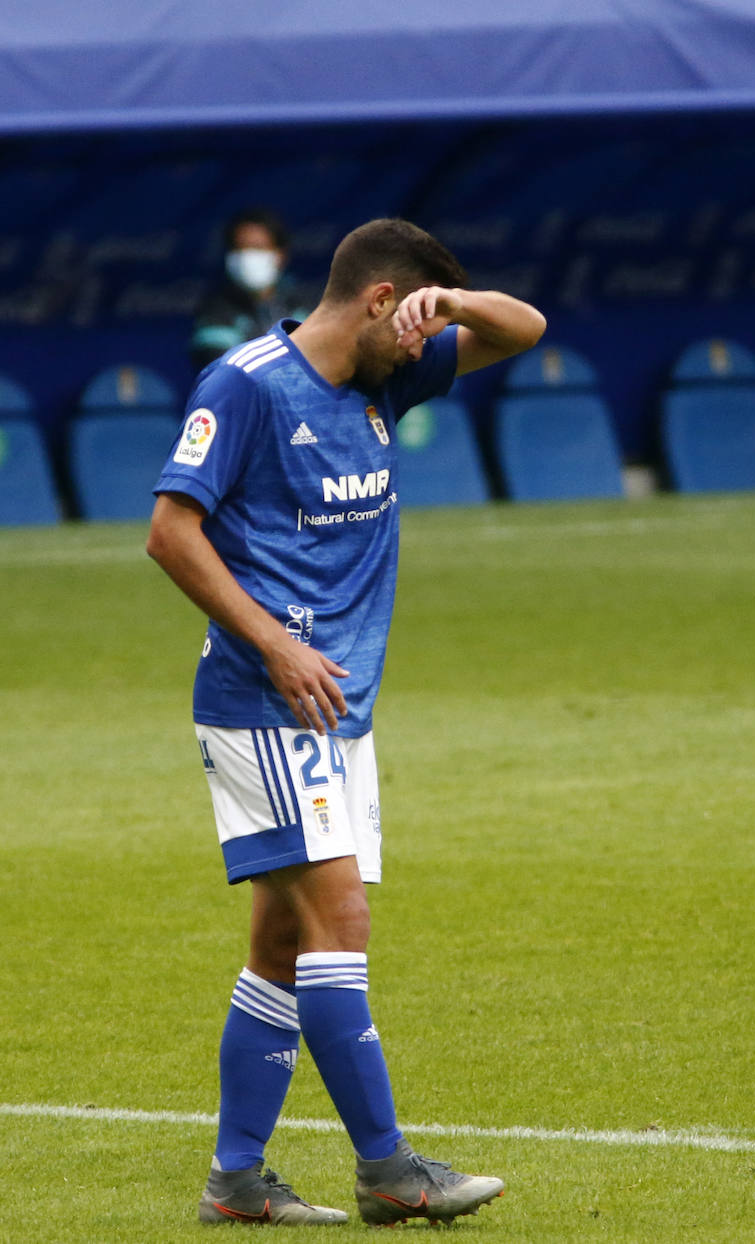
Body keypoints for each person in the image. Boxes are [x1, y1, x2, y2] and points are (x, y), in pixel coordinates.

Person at [147, 217, 546, 1227]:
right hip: (268, 699)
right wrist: (276, 642)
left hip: (339, 710)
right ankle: (387, 1166)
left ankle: (236, 1178)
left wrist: (450, 306)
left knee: (283, 943)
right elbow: (170, 531)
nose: (425, 352)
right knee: (341, 921)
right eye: (412, 324)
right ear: (377, 303)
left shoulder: (383, 376)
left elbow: (526, 328)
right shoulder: (246, 385)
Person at [190, 208, 312, 371]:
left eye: (257, 248)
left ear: (280, 255)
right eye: (240, 248)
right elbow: (224, 371)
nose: (248, 256)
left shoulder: (306, 304)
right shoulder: (214, 311)